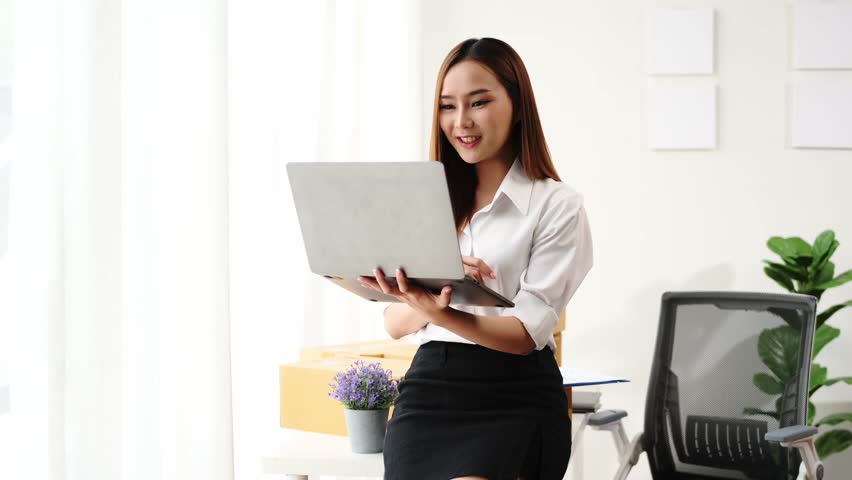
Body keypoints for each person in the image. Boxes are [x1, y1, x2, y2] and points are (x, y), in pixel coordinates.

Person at [358, 37, 593, 480]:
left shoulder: (557, 205)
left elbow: (525, 334)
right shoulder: (428, 202)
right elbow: (392, 324)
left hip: (513, 393)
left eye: (478, 102)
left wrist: (442, 309)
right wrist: (425, 295)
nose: (461, 121)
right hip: (428, 390)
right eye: (447, 106)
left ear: (518, 106)